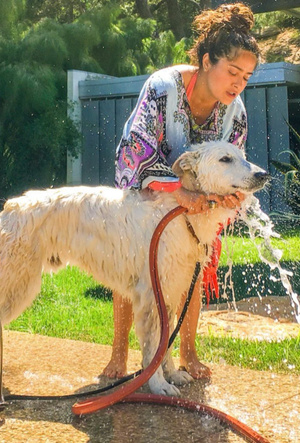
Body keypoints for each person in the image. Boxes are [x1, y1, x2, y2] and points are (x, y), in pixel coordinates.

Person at [103, 2, 260, 380]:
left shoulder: (235, 112)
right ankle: (120, 353)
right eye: (233, 72)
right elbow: (133, 153)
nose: (238, 83)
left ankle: (187, 350)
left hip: (200, 204)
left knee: (193, 266)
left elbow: (236, 168)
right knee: (134, 266)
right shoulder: (162, 87)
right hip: (148, 190)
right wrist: (177, 190)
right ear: (207, 61)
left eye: (247, 76)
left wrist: (230, 196)